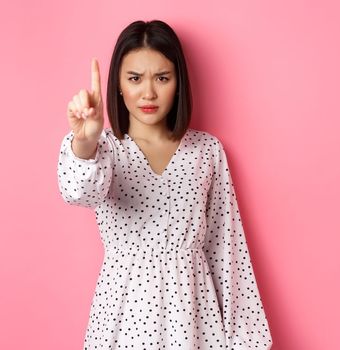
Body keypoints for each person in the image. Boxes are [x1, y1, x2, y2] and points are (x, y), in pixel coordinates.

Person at [58, 19, 273, 349]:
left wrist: (245, 340)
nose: (148, 93)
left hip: (194, 319)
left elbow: (227, 250)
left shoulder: (207, 151)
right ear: (117, 83)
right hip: (122, 317)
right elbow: (78, 191)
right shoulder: (104, 150)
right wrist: (85, 141)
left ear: (178, 81)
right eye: (134, 78)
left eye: (162, 77)